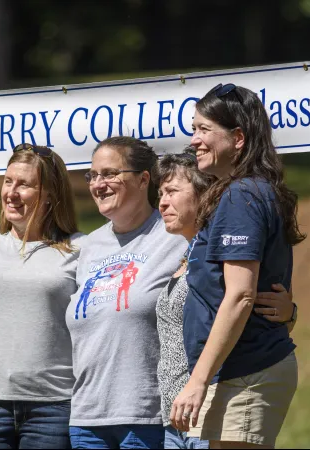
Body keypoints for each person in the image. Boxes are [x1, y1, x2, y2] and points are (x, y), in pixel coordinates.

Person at [171, 84, 305, 449]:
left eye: (204, 130)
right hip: (236, 371)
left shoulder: (242, 195)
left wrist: (197, 380)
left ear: (239, 138)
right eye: (194, 128)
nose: (194, 139)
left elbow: (241, 295)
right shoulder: (247, 191)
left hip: (247, 372)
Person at [155, 151, 297, 450]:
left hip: (213, 391)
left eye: (172, 191)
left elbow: (243, 297)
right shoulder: (183, 255)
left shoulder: (224, 249)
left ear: (203, 193)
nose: (162, 202)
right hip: (176, 411)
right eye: (160, 193)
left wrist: (289, 313)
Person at [66, 136, 189, 449]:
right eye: (92, 175)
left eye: (110, 173)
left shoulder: (175, 235)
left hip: (146, 418)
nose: (98, 184)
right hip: (86, 419)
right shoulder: (87, 246)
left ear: (143, 179)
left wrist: (285, 310)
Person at [0, 143, 85, 449]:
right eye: (8, 181)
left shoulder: (81, 249)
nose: (11, 193)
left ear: (50, 195)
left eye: (25, 185)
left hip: (53, 408)